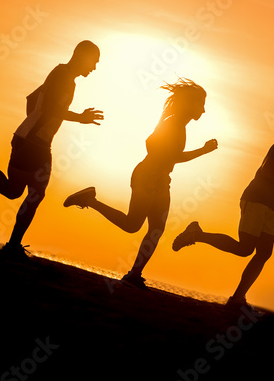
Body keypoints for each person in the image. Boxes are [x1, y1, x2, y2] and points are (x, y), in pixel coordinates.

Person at [0, 40, 104, 258]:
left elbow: (32, 99)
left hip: (34, 141)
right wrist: (78, 118)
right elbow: (49, 107)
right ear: (82, 56)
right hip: (33, 143)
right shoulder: (62, 74)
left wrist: (30, 126)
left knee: (15, 191)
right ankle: (13, 245)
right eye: (93, 62)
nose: (94, 68)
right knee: (31, 193)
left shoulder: (66, 78)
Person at [63, 78, 217, 289]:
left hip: (160, 179)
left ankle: (134, 274)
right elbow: (165, 151)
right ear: (190, 104)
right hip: (148, 176)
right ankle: (91, 200)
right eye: (201, 104)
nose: (204, 110)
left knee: (156, 228)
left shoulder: (176, 122)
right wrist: (203, 150)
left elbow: (157, 147)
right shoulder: (174, 122)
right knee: (132, 225)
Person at [172, 111, 274, 308]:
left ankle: (237, 298)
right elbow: (265, 171)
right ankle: (196, 234)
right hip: (256, 200)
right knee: (244, 249)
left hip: (268, 203)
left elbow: (271, 179)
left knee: (264, 252)